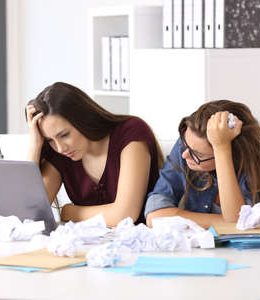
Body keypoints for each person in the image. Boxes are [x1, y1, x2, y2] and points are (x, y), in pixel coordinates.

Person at [25, 82, 164, 226]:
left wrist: (72, 212)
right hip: (87, 246)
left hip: (141, 245)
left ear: (83, 118)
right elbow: (30, 214)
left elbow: (125, 215)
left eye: (65, 134)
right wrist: (35, 145)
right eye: (50, 140)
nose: (60, 148)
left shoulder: (130, 132)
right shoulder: (61, 154)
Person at [144, 100, 260, 228]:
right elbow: (155, 216)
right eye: (184, 145)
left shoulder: (255, 165)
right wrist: (225, 222)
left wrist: (222, 149)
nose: (184, 155)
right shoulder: (189, 146)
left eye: (198, 155)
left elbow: (237, 226)